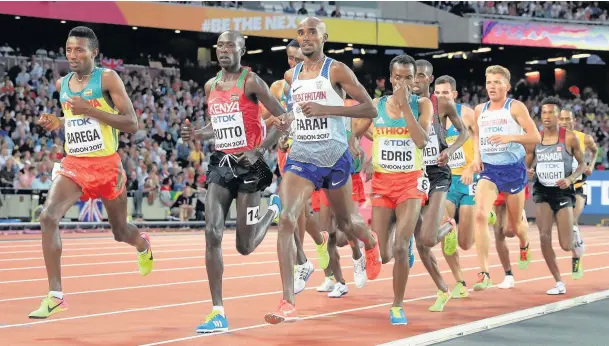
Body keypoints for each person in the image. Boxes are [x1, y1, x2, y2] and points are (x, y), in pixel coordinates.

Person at [265, 17, 381, 324]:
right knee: (287, 217)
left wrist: (329, 109)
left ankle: (370, 242)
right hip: (302, 154)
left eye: (311, 32)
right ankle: (287, 300)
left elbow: (370, 108)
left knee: (348, 222)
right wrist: (285, 121)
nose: (305, 37)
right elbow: (298, 109)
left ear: (324, 37)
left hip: (334, 155)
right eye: (301, 33)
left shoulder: (338, 70)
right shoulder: (292, 74)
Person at [31, 26, 153, 319]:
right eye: (69, 50)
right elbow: (74, 118)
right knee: (48, 216)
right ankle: (55, 294)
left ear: (93, 52)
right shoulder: (62, 84)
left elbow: (132, 123)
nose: (72, 55)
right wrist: (58, 122)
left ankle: (143, 245)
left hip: (108, 166)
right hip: (75, 163)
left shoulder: (108, 78)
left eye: (79, 50)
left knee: (120, 231)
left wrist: (91, 110)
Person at [180, 30, 293, 333]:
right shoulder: (211, 85)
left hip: (252, 169)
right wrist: (197, 135)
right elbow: (216, 126)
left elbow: (285, 119)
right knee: (212, 232)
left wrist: (257, 150)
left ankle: (272, 212)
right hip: (221, 164)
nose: (224, 50)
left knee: (244, 246)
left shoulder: (252, 82)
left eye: (231, 46)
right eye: (220, 46)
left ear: (243, 50)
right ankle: (217, 311)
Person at [356, 54, 432, 324]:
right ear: (390, 78)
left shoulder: (422, 104)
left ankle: (398, 306)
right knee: (385, 253)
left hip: (410, 182)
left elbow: (421, 141)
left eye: (408, 77)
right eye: (397, 77)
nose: (402, 82)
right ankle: (395, 240)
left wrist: (405, 107)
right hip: (382, 184)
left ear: (415, 80)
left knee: (399, 248)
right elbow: (358, 130)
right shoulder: (377, 105)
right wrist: (365, 151)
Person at [262, 39, 330, 294]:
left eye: (298, 60)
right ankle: (308, 255)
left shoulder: (320, 84)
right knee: (298, 212)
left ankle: (309, 256)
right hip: (287, 154)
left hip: (316, 153)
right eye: (290, 59)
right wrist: (277, 124)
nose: (293, 64)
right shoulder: (279, 86)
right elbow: (268, 117)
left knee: (305, 213)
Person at [470, 65, 541, 291]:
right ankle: (484, 272)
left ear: (507, 86)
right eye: (489, 82)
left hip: (513, 169)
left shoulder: (515, 107)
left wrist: (510, 137)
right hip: (489, 170)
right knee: (480, 215)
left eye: (497, 82)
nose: (492, 86)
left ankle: (524, 242)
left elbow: (535, 137)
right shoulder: (479, 109)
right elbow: (476, 135)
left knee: (514, 227)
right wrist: (476, 157)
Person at [409, 61, 467, 312]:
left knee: (429, 238)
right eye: (413, 76)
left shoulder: (442, 104)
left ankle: (449, 226)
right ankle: (443, 290)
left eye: (421, 76)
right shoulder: (403, 105)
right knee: (420, 243)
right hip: (412, 174)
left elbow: (464, 132)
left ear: (430, 80)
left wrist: (450, 150)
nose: (416, 81)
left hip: (438, 173)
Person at [526, 97, 585, 295]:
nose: (547, 116)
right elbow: (527, 164)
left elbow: (582, 165)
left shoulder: (569, 138)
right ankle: (559, 281)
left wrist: (570, 178)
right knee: (543, 237)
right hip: (542, 191)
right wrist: (528, 171)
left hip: (563, 191)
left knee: (565, 245)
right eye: (544, 113)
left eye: (551, 113)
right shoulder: (536, 138)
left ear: (559, 116)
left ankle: (576, 245)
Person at [435, 75, 478, 303]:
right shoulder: (431, 115)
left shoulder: (466, 113)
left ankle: (485, 215)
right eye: (438, 93)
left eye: (445, 93)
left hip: (468, 180)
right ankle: (459, 281)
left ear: (454, 94)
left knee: (465, 243)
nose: (441, 96)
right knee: (446, 232)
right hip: (446, 181)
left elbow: (479, 136)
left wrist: (474, 164)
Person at [558, 109, 595, 279]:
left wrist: (591, 166)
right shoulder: (554, 139)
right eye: (562, 119)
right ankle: (577, 245)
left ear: (574, 120)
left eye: (568, 119)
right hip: (562, 188)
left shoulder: (584, 138)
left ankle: (576, 258)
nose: (565, 122)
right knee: (567, 227)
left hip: (579, 186)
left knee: (572, 220)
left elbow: (595, 151)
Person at [491, 185, 531, 289]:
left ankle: (524, 242)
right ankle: (508, 275)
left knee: (510, 231)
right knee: (498, 232)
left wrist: (529, 170)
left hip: (513, 178)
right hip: (494, 180)